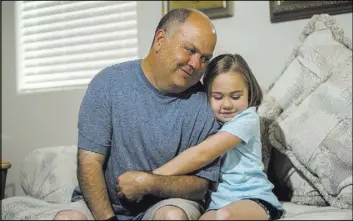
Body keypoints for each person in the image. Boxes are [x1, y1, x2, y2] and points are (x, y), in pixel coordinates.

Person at [54, 8, 222, 221]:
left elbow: (200, 186)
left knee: (171, 217)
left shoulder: (204, 104)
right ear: (160, 39)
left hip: (165, 204)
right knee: (67, 219)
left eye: (205, 58)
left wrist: (148, 183)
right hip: (102, 205)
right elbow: (89, 162)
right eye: (189, 50)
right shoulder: (108, 83)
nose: (196, 64)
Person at [153, 54, 285, 220]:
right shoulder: (207, 122)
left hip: (254, 198)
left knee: (224, 217)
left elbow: (202, 154)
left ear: (249, 94)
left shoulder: (247, 119)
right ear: (207, 95)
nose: (227, 104)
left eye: (236, 96)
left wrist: (152, 178)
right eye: (218, 97)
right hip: (216, 204)